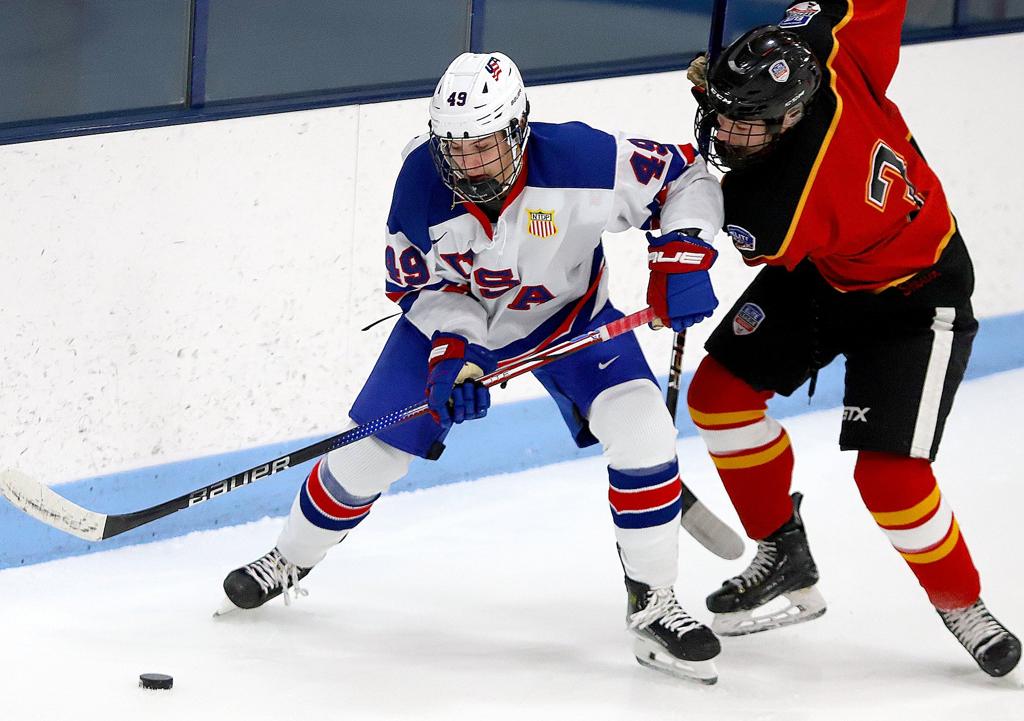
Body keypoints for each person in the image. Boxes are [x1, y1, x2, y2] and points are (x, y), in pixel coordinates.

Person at [221, 52, 726, 683]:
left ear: (518, 129)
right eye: (457, 149)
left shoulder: (583, 160)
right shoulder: (421, 183)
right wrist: (456, 355)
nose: (470, 163)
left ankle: (653, 603)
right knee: (370, 457)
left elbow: (687, 178)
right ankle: (289, 558)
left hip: (569, 318)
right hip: (456, 330)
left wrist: (683, 253)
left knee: (644, 427)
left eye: (485, 146)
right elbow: (420, 287)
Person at [685, 0, 1020, 677]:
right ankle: (783, 550)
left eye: (746, 124)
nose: (725, 132)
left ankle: (963, 603)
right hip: (831, 269)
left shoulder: (776, 207)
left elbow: (722, 212)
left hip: (917, 293)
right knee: (718, 398)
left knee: (890, 479)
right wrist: (732, 86)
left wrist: (681, 212)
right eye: (723, 116)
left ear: (790, 117)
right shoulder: (825, 50)